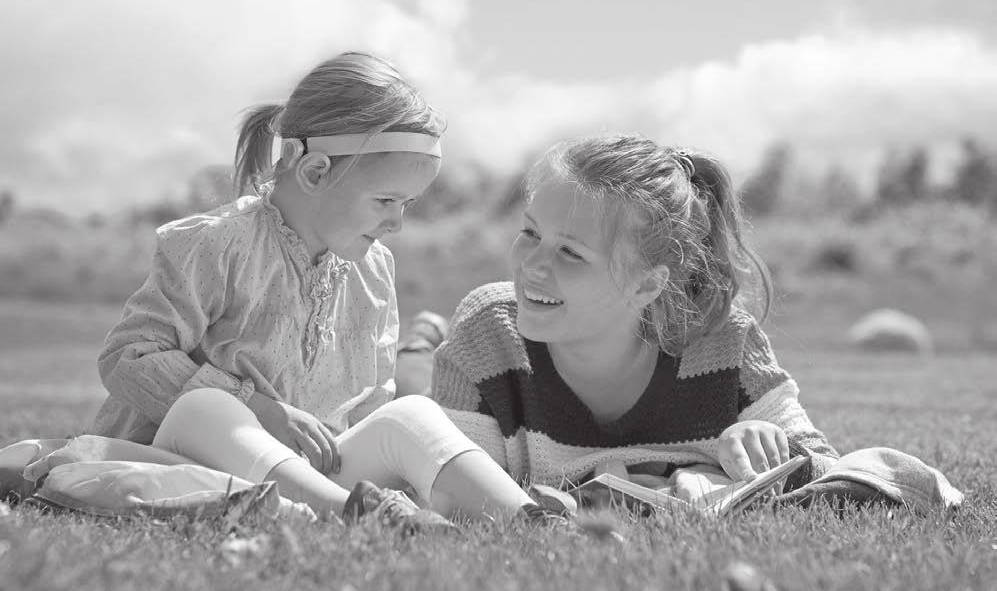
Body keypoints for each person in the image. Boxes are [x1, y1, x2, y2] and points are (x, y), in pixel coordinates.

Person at [88, 52, 546, 530]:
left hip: (301, 480)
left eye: (407, 203)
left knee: (409, 412)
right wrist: (258, 409)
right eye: (386, 201)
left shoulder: (372, 270)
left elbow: (371, 400)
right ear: (314, 172)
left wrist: (382, 460)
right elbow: (127, 356)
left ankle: (526, 519)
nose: (398, 221)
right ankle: (360, 516)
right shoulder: (217, 243)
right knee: (206, 406)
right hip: (179, 466)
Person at [424, 135, 840, 496]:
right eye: (530, 233)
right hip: (447, 359)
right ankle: (422, 340)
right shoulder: (488, 333)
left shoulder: (723, 341)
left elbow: (833, 471)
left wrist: (775, 448)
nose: (531, 264)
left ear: (645, 285)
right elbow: (450, 481)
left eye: (570, 252)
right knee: (413, 387)